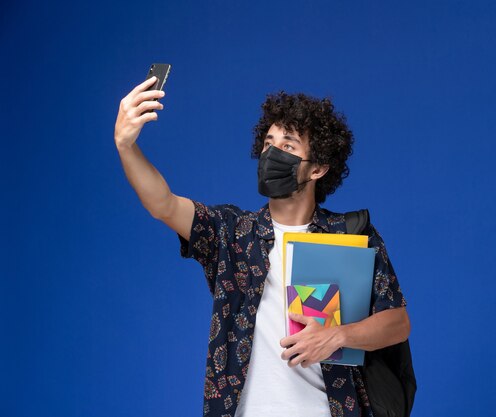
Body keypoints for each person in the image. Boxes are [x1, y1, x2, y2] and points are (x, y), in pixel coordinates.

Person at [114, 75, 411, 417]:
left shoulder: (349, 234)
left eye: (288, 146)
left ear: (318, 168)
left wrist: (338, 336)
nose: (272, 153)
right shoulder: (232, 232)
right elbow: (162, 204)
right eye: (268, 144)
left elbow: (397, 322)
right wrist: (126, 146)